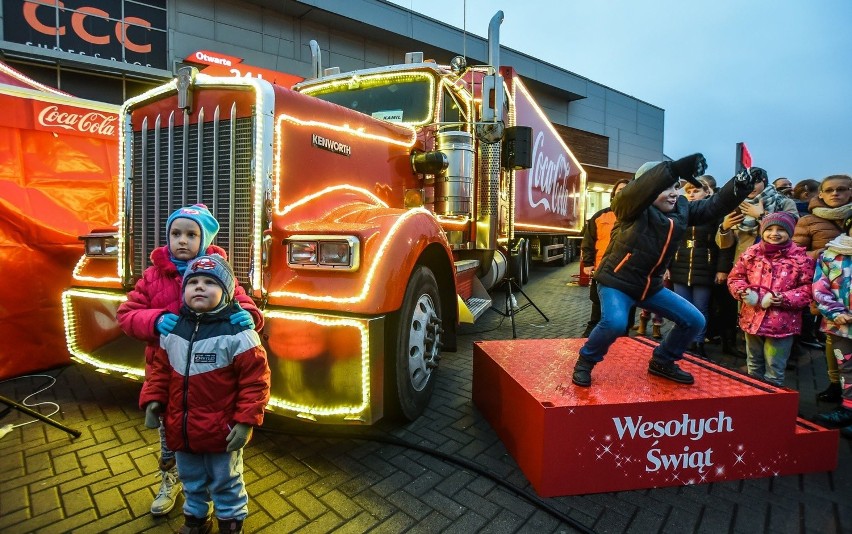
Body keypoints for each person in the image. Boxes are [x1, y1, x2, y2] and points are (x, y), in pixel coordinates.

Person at [116, 204, 264, 517]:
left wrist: (246, 317)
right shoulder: (153, 276)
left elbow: (247, 308)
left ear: (204, 239)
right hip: (168, 373)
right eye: (176, 233)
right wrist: (155, 320)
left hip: (210, 381)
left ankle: (224, 498)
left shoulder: (218, 273)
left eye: (191, 234)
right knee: (171, 439)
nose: (182, 240)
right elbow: (127, 315)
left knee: (212, 439)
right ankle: (171, 479)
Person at [571, 154, 753, 388]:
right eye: (664, 187)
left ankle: (663, 360)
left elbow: (712, 207)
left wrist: (738, 187)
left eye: (676, 186)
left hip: (650, 286)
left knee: (694, 320)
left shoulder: (681, 209)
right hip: (616, 282)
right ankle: (585, 361)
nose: (674, 193)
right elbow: (633, 194)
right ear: (646, 189)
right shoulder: (630, 208)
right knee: (615, 323)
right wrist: (673, 168)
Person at [140, 254, 270, 534]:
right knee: (191, 479)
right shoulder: (173, 329)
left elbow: (255, 383)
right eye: (193, 282)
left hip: (221, 431)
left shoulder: (239, 334)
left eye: (210, 282)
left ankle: (231, 521)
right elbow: (160, 370)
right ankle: (197, 518)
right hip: (181, 428)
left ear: (225, 293)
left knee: (226, 480)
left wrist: (245, 421)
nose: (199, 286)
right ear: (183, 290)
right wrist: (153, 400)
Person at [727, 212, 814, 386]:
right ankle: (752, 395)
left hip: (782, 323)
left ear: (790, 232)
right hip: (752, 319)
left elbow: (808, 288)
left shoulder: (800, 258)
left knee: (775, 368)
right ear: (762, 231)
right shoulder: (751, 253)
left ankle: (771, 403)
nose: (774, 233)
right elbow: (735, 277)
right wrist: (742, 291)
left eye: (781, 229)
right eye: (769, 229)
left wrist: (783, 298)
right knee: (753, 363)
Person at [793, 174, 852, 402]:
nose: (835, 194)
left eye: (841, 189)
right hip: (825, 288)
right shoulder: (809, 220)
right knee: (831, 338)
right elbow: (795, 254)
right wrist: (822, 254)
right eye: (829, 190)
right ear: (821, 194)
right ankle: (835, 383)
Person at [669, 177, 732, 357]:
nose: (691, 194)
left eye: (695, 191)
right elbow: (670, 242)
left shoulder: (714, 213)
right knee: (681, 307)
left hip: (706, 264)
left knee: (700, 307)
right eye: (688, 191)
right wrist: (666, 266)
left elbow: (724, 245)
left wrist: (722, 269)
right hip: (680, 264)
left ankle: (698, 341)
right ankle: (682, 341)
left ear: (707, 192)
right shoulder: (679, 212)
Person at [812, 216, 852, 437]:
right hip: (839, 327)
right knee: (844, 365)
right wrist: (835, 312)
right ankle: (847, 407)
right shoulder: (830, 255)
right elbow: (820, 287)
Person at [580, 179, 631, 337]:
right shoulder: (600, 216)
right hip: (602, 270)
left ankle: (622, 341)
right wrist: (588, 263)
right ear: (614, 193)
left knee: (626, 309)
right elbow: (588, 241)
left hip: (627, 272)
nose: (622, 192)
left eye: (627, 189)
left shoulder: (638, 216)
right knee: (598, 308)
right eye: (619, 189)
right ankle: (588, 340)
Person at [717, 167, 799, 263]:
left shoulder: (783, 202)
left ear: (765, 182)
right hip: (745, 265)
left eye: (756, 182)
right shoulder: (736, 205)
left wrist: (762, 216)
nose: (751, 187)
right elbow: (724, 245)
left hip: (778, 264)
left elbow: (794, 232)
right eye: (746, 183)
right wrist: (724, 228)